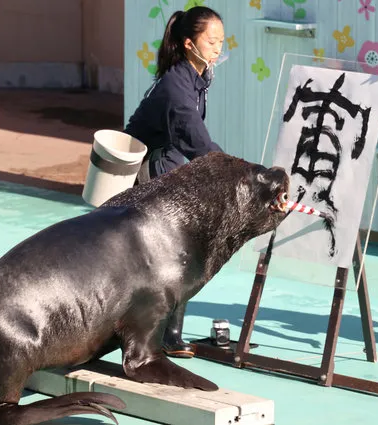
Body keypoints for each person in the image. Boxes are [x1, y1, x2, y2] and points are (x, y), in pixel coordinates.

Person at [123, 6, 226, 359]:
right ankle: (159, 333)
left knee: (182, 248)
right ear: (187, 43)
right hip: (144, 167)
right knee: (175, 249)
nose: (217, 48)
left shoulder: (197, 77)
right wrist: (236, 174)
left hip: (166, 161)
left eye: (220, 41)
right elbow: (199, 143)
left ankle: (170, 332)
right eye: (210, 41)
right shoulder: (176, 87)